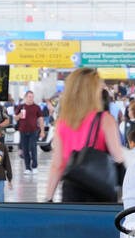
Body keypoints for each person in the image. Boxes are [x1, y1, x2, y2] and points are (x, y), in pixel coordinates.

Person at [44, 68, 126, 203]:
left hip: (71, 189)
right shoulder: (105, 119)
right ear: (92, 90)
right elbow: (118, 158)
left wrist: (48, 198)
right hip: (99, 187)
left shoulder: (62, 122)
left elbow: (57, 165)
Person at [13, 90, 46, 173]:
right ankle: (27, 168)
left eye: (32, 97)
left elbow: (41, 119)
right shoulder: (21, 107)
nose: (31, 98)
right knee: (25, 149)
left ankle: (34, 166)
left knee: (33, 148)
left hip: (33, 131)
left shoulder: (36, 107)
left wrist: (42, 131)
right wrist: (19, 116)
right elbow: (15, 118)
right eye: (29, 97)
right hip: (23, 131)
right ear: (25, 97)